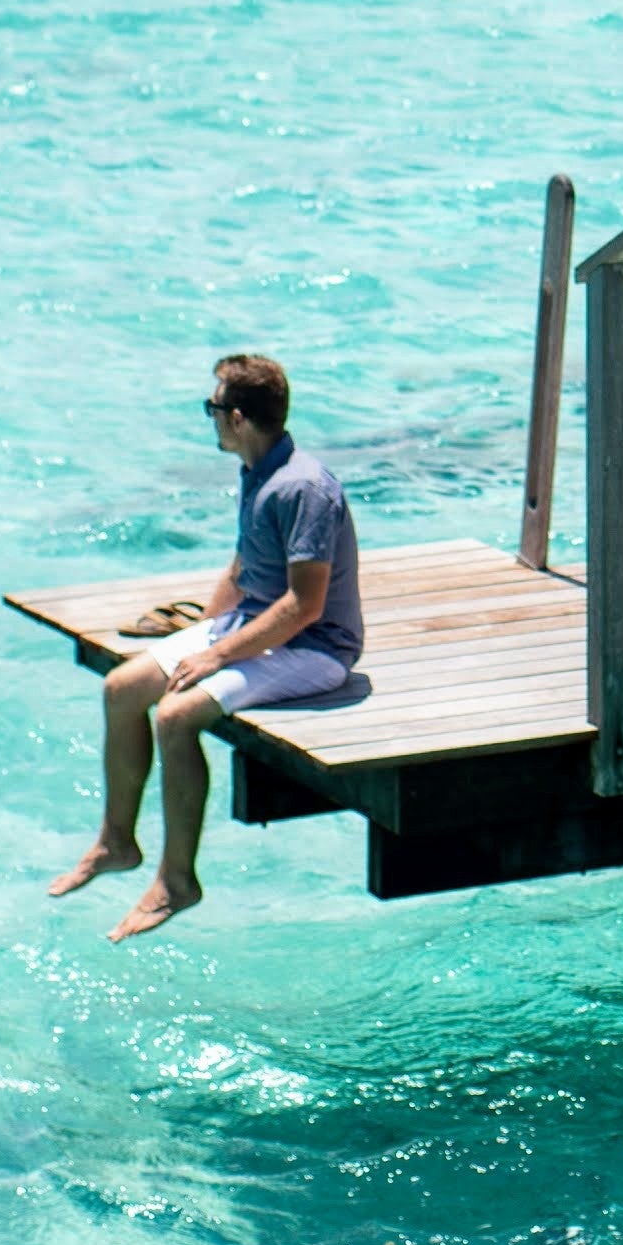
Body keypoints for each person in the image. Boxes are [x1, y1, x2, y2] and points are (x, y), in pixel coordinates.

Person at [51, 351, 365, 939]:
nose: (211, 418)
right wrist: (199, 631)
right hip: (258, 628)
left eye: (213, 408)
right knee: (122, 688)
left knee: (176, 715)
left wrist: (217, 655)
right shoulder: (259, 470)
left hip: (317, 648)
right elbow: (246, 564)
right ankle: (116, 842)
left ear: (239, 417)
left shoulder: (304, 488)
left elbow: (306, 606)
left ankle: (177, 881)